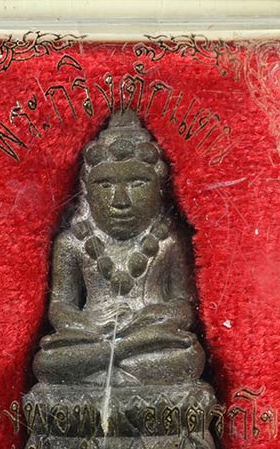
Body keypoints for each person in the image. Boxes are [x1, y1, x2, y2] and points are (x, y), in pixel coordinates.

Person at [33, 110, 206, 387]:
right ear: (87, 191)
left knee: (186, 357)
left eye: (137, 184)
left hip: (146, 336)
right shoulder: (72, 243)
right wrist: (90, 325)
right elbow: (61, 306)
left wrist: (147, 317)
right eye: (105, 184)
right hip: (93, 336)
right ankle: (117, 356)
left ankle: (109, 360)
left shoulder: (169, 241)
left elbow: (183, 307)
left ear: (159, 189)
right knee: (48, 362)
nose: (120, 201)